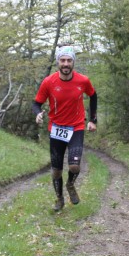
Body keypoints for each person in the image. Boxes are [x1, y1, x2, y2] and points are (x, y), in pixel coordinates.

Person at [32, 46, 97, 212]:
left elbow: (93, 95)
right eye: (63, 60)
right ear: (57, 63)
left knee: (74, 166)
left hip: (76, 127)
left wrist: (93, 120)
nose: (66, 64)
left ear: (73, 62)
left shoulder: (83, 81)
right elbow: (36, 103)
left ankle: (70, 185)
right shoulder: (49, 82)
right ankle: (59, 198)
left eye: (69, 60)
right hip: (56, 128)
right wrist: (38, 113)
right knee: (56, 171)